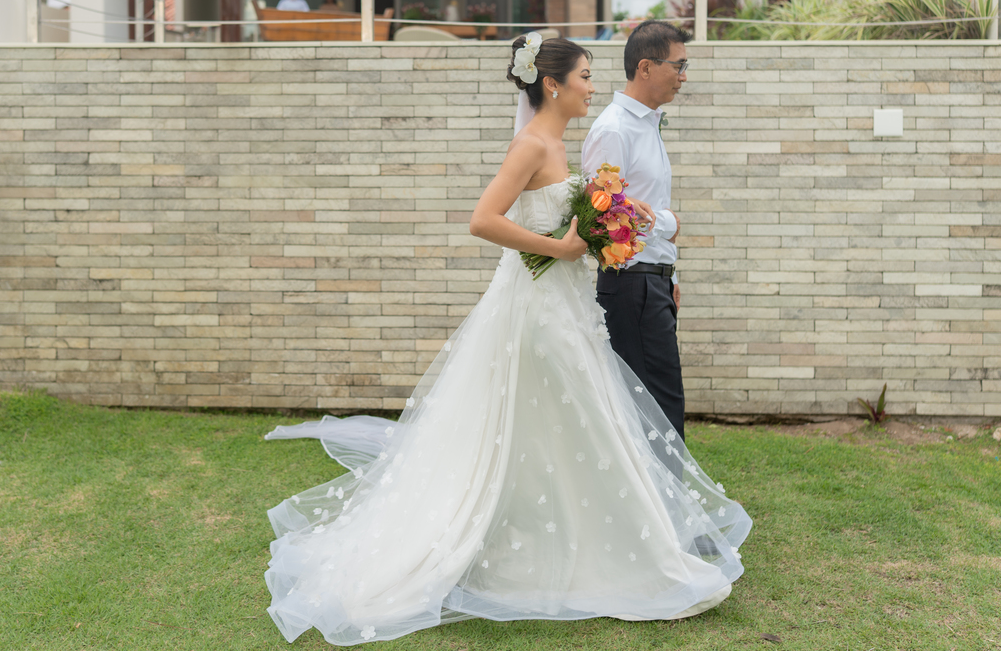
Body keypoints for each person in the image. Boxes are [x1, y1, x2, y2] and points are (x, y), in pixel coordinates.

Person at [261, 34, 751, 646]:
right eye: (585, 76)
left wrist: (599, 234)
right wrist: (565, 248)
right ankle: (630, 555)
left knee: (567, 424)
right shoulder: (531, 144)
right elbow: (483, 219)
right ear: (553, 84)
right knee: (589, 418)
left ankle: (594, 539)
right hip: (539, 309)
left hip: (567, 304)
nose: (592, 86)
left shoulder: (557, 143)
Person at [582, 20, 690, 442]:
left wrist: (671, 276)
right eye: (678, 66)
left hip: (653, 284)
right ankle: (666, 507)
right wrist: (671, 223)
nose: (683, 76)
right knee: (657, 409)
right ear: (645, 67)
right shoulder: (613, 129)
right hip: (631, 288)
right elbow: (602, 220)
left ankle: (663, 504)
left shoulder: (646, 123)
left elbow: (645, 205)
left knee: (659, 406)